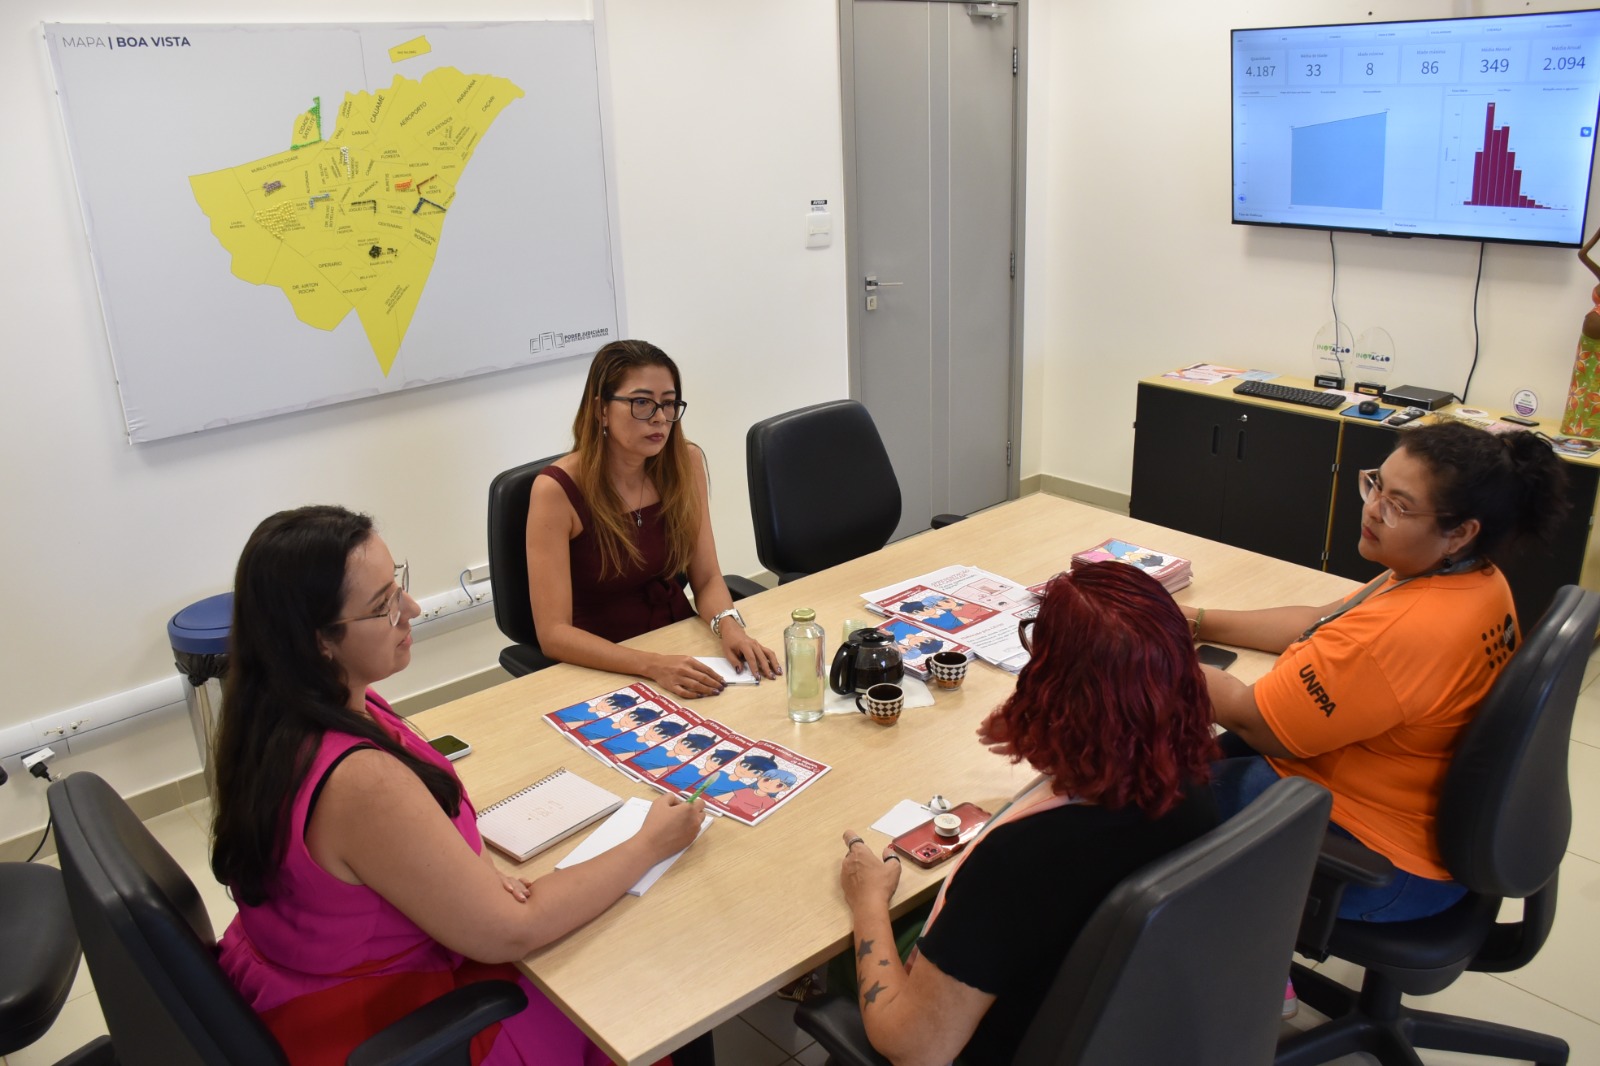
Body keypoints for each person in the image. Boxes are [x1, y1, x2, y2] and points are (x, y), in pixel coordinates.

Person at [210, 506, 706, 1065]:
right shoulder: (360, 780)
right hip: (388, 1021)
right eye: (383, 607)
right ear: (319, 641)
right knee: (631, 986)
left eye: (397, 586)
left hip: (302, 979)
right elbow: (512, 932)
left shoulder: (292, 713)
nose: (412, 611)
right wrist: (649, 844)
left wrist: (470, 874)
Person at [836, 562, 1220, 1065]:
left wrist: (868, 903)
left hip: (994, 1042)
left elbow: (915, 1047)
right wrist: (1048, 733)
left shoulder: (1014, 863)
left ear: (1051, 686)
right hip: (1125, 1032)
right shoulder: (1196, 782)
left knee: (840, 960)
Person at [1186, 422, 1568, 925]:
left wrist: (1144, 650)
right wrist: (1196, 622)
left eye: (1399, 505)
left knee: (1148, 802)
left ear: (1460, 530)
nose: (1373, 508)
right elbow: (1320, 621)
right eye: (1376, 485)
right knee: (1184, 754)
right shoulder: (1467, 575)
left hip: (1378, 862)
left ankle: (1234, 964)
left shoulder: (1407, 630)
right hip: (1410, 810)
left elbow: (1258, 721)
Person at [526, 339, 780, 698]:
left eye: (669, 403)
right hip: (603, 664)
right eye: (642, 402)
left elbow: (706, 578)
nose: (660, 417)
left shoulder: (684, 463)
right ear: (601, 409)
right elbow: (553, 634)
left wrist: (731, 627)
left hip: (675, 641)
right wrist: (651, 665)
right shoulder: (556, 490)